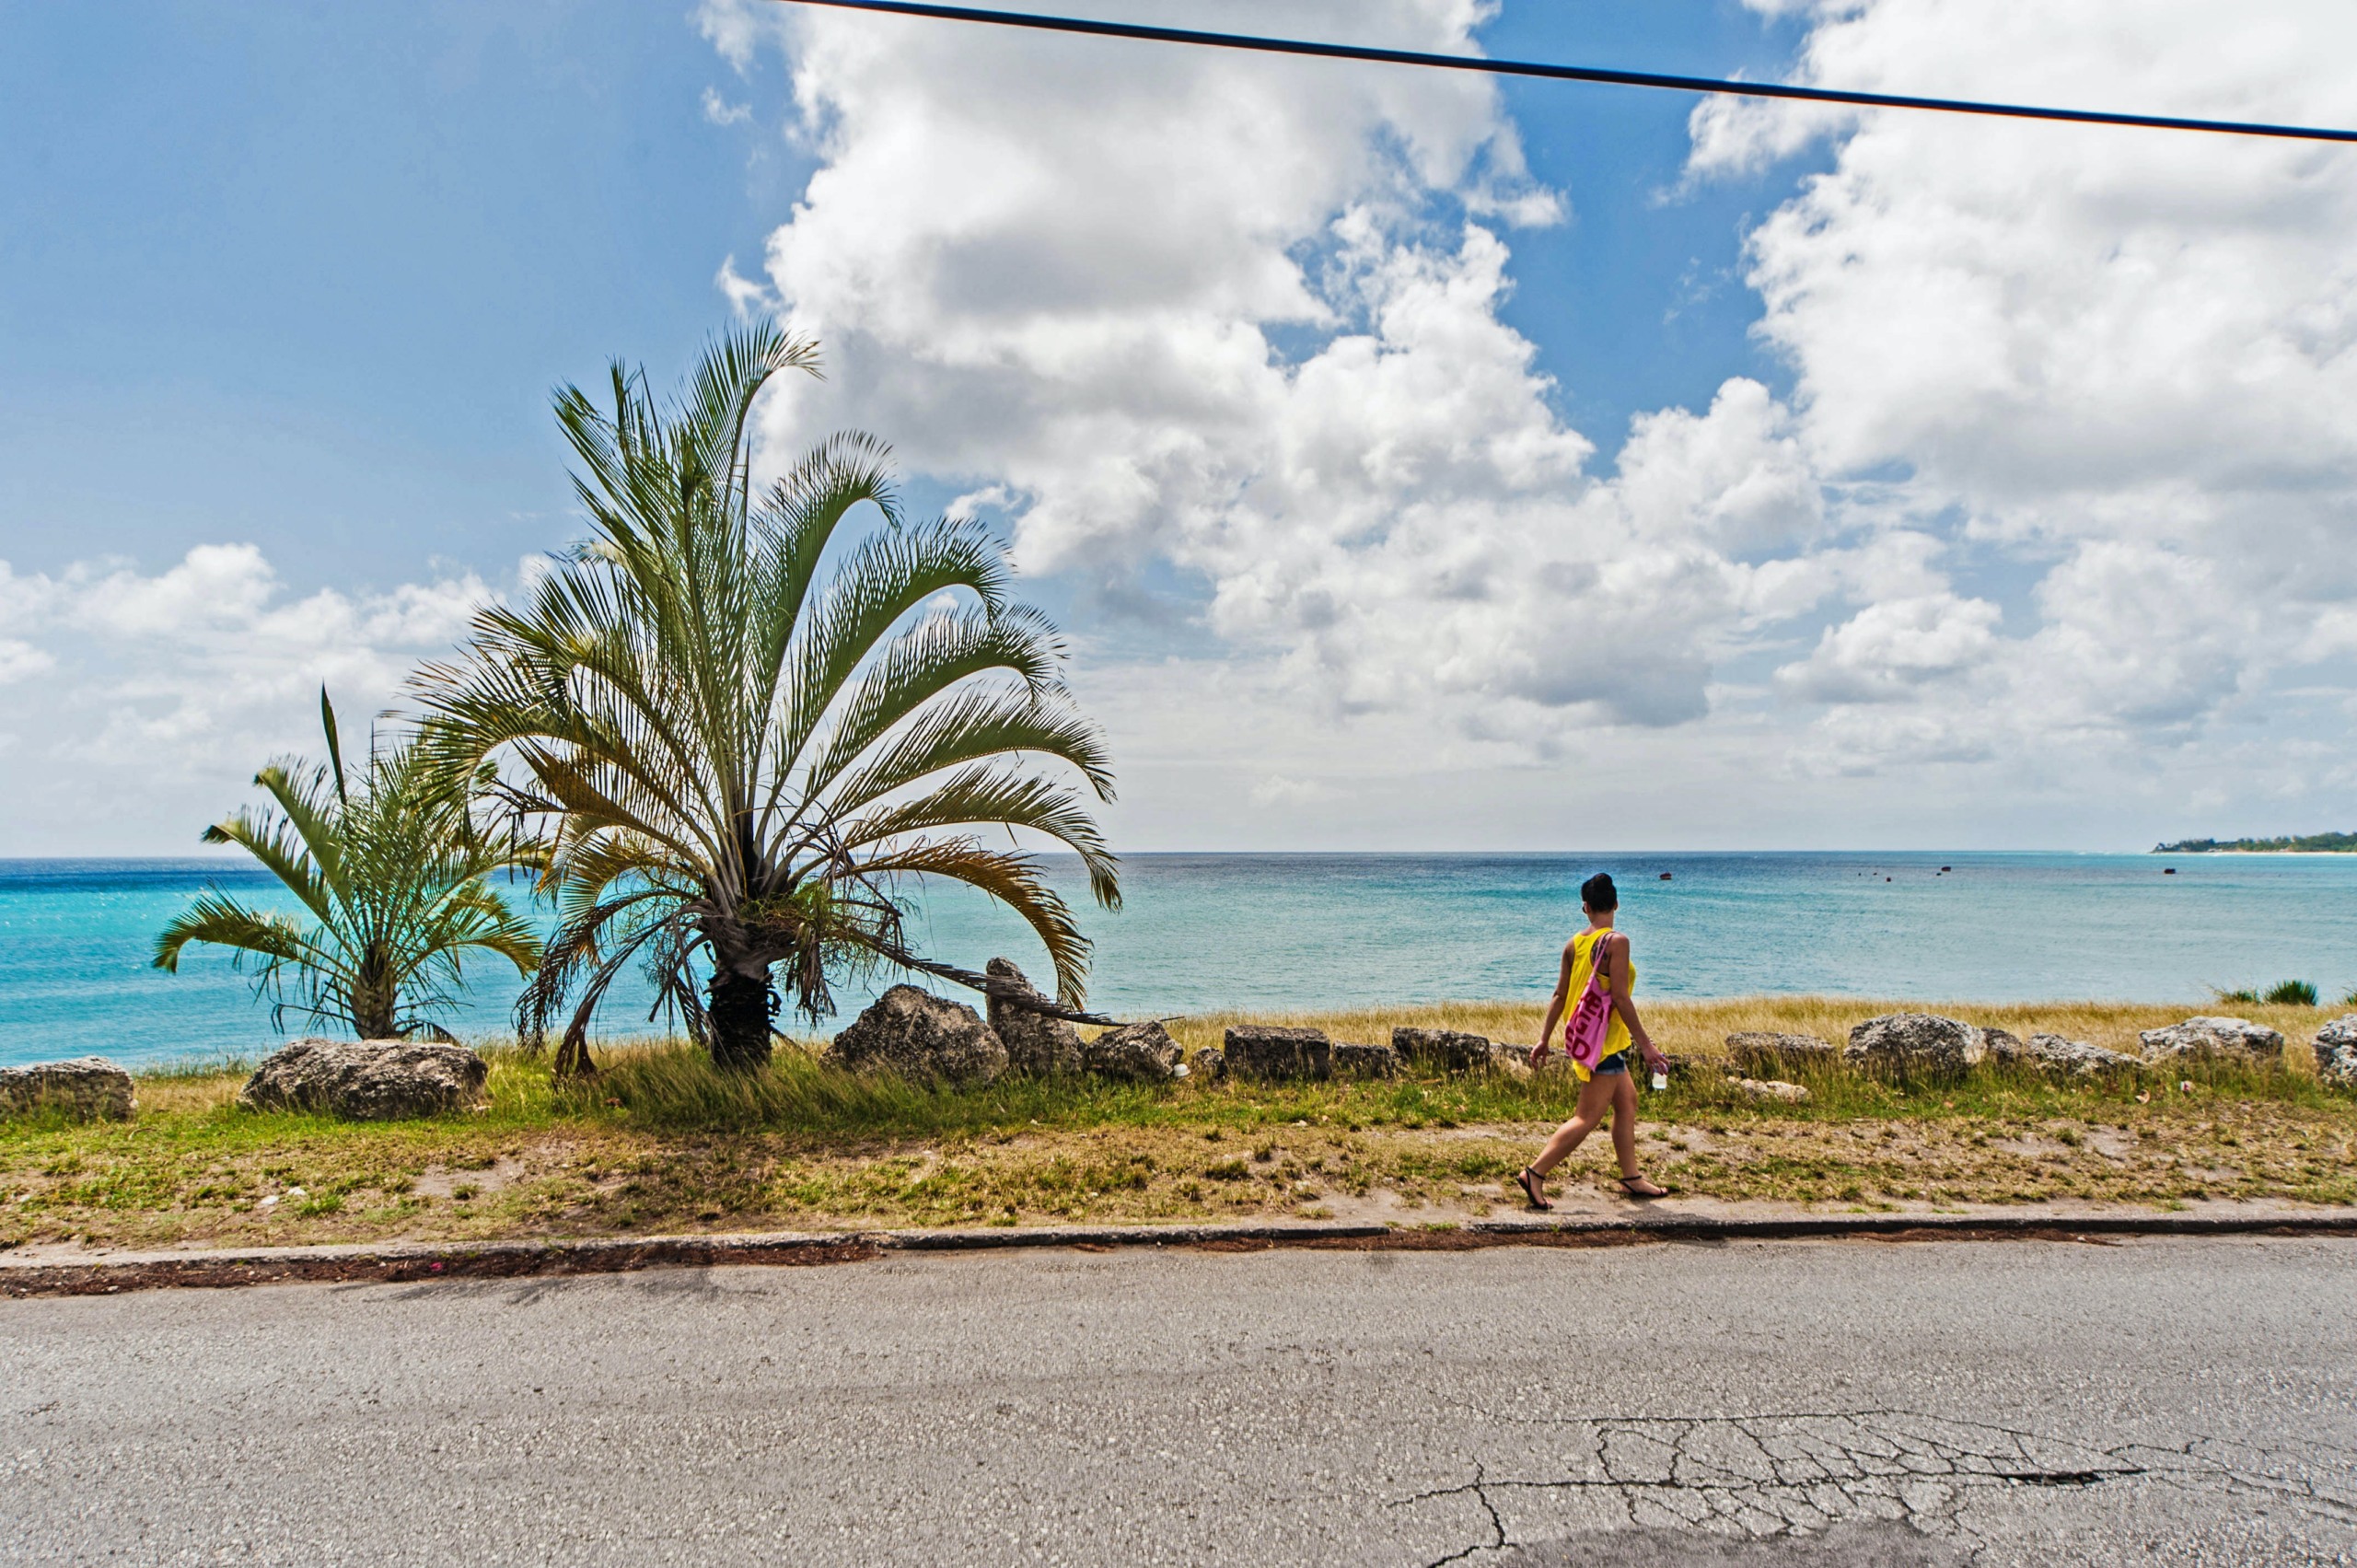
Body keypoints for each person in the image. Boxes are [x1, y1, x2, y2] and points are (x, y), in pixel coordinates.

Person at [1515, 872, 1671, 1208]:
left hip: (1588, 1039)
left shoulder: (1574, 944)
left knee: (1627, 1102)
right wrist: (1647, 1045)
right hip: (1604, 1044)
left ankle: (1631, 1178)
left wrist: (1544, 1039)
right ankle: (1535, 1173)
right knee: (1586, 1118)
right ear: (1616, 904)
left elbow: (1560, 995)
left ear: (1585, 907)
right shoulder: (1617, 941)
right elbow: (1620, 997)